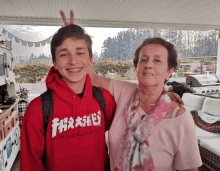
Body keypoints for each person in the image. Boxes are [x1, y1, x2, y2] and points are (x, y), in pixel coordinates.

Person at [61, 11, 202, 171]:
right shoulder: (124, 92)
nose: (149, 64)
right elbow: (91, 77)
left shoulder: (180, 119)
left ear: (169, 71)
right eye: (144, 59)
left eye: (157, 60)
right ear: (136, 67)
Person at [20, 24, 116, 171]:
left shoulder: (105, 99)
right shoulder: (37, 109)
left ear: (91, 59)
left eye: (80, 53)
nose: (73, 61)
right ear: (54, 62)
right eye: (64, 54)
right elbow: (30, 164)